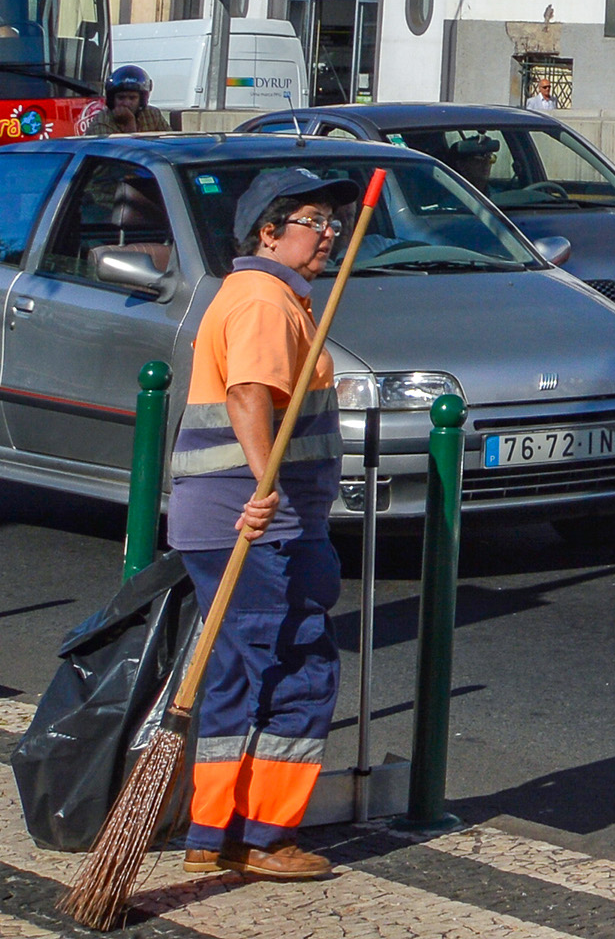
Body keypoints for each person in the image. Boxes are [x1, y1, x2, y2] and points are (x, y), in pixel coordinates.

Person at [165, 167, 353, 884]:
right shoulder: (262, 302)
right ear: (267, 234)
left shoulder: (264, 296)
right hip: (255, 519)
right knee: (294, 662)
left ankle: (215, 831)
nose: (328, 232)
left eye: (332, 221)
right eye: (311, 220)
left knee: (243, 667)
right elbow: (248, 394)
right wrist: (263, 485)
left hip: (244, 517)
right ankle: (264, 836)